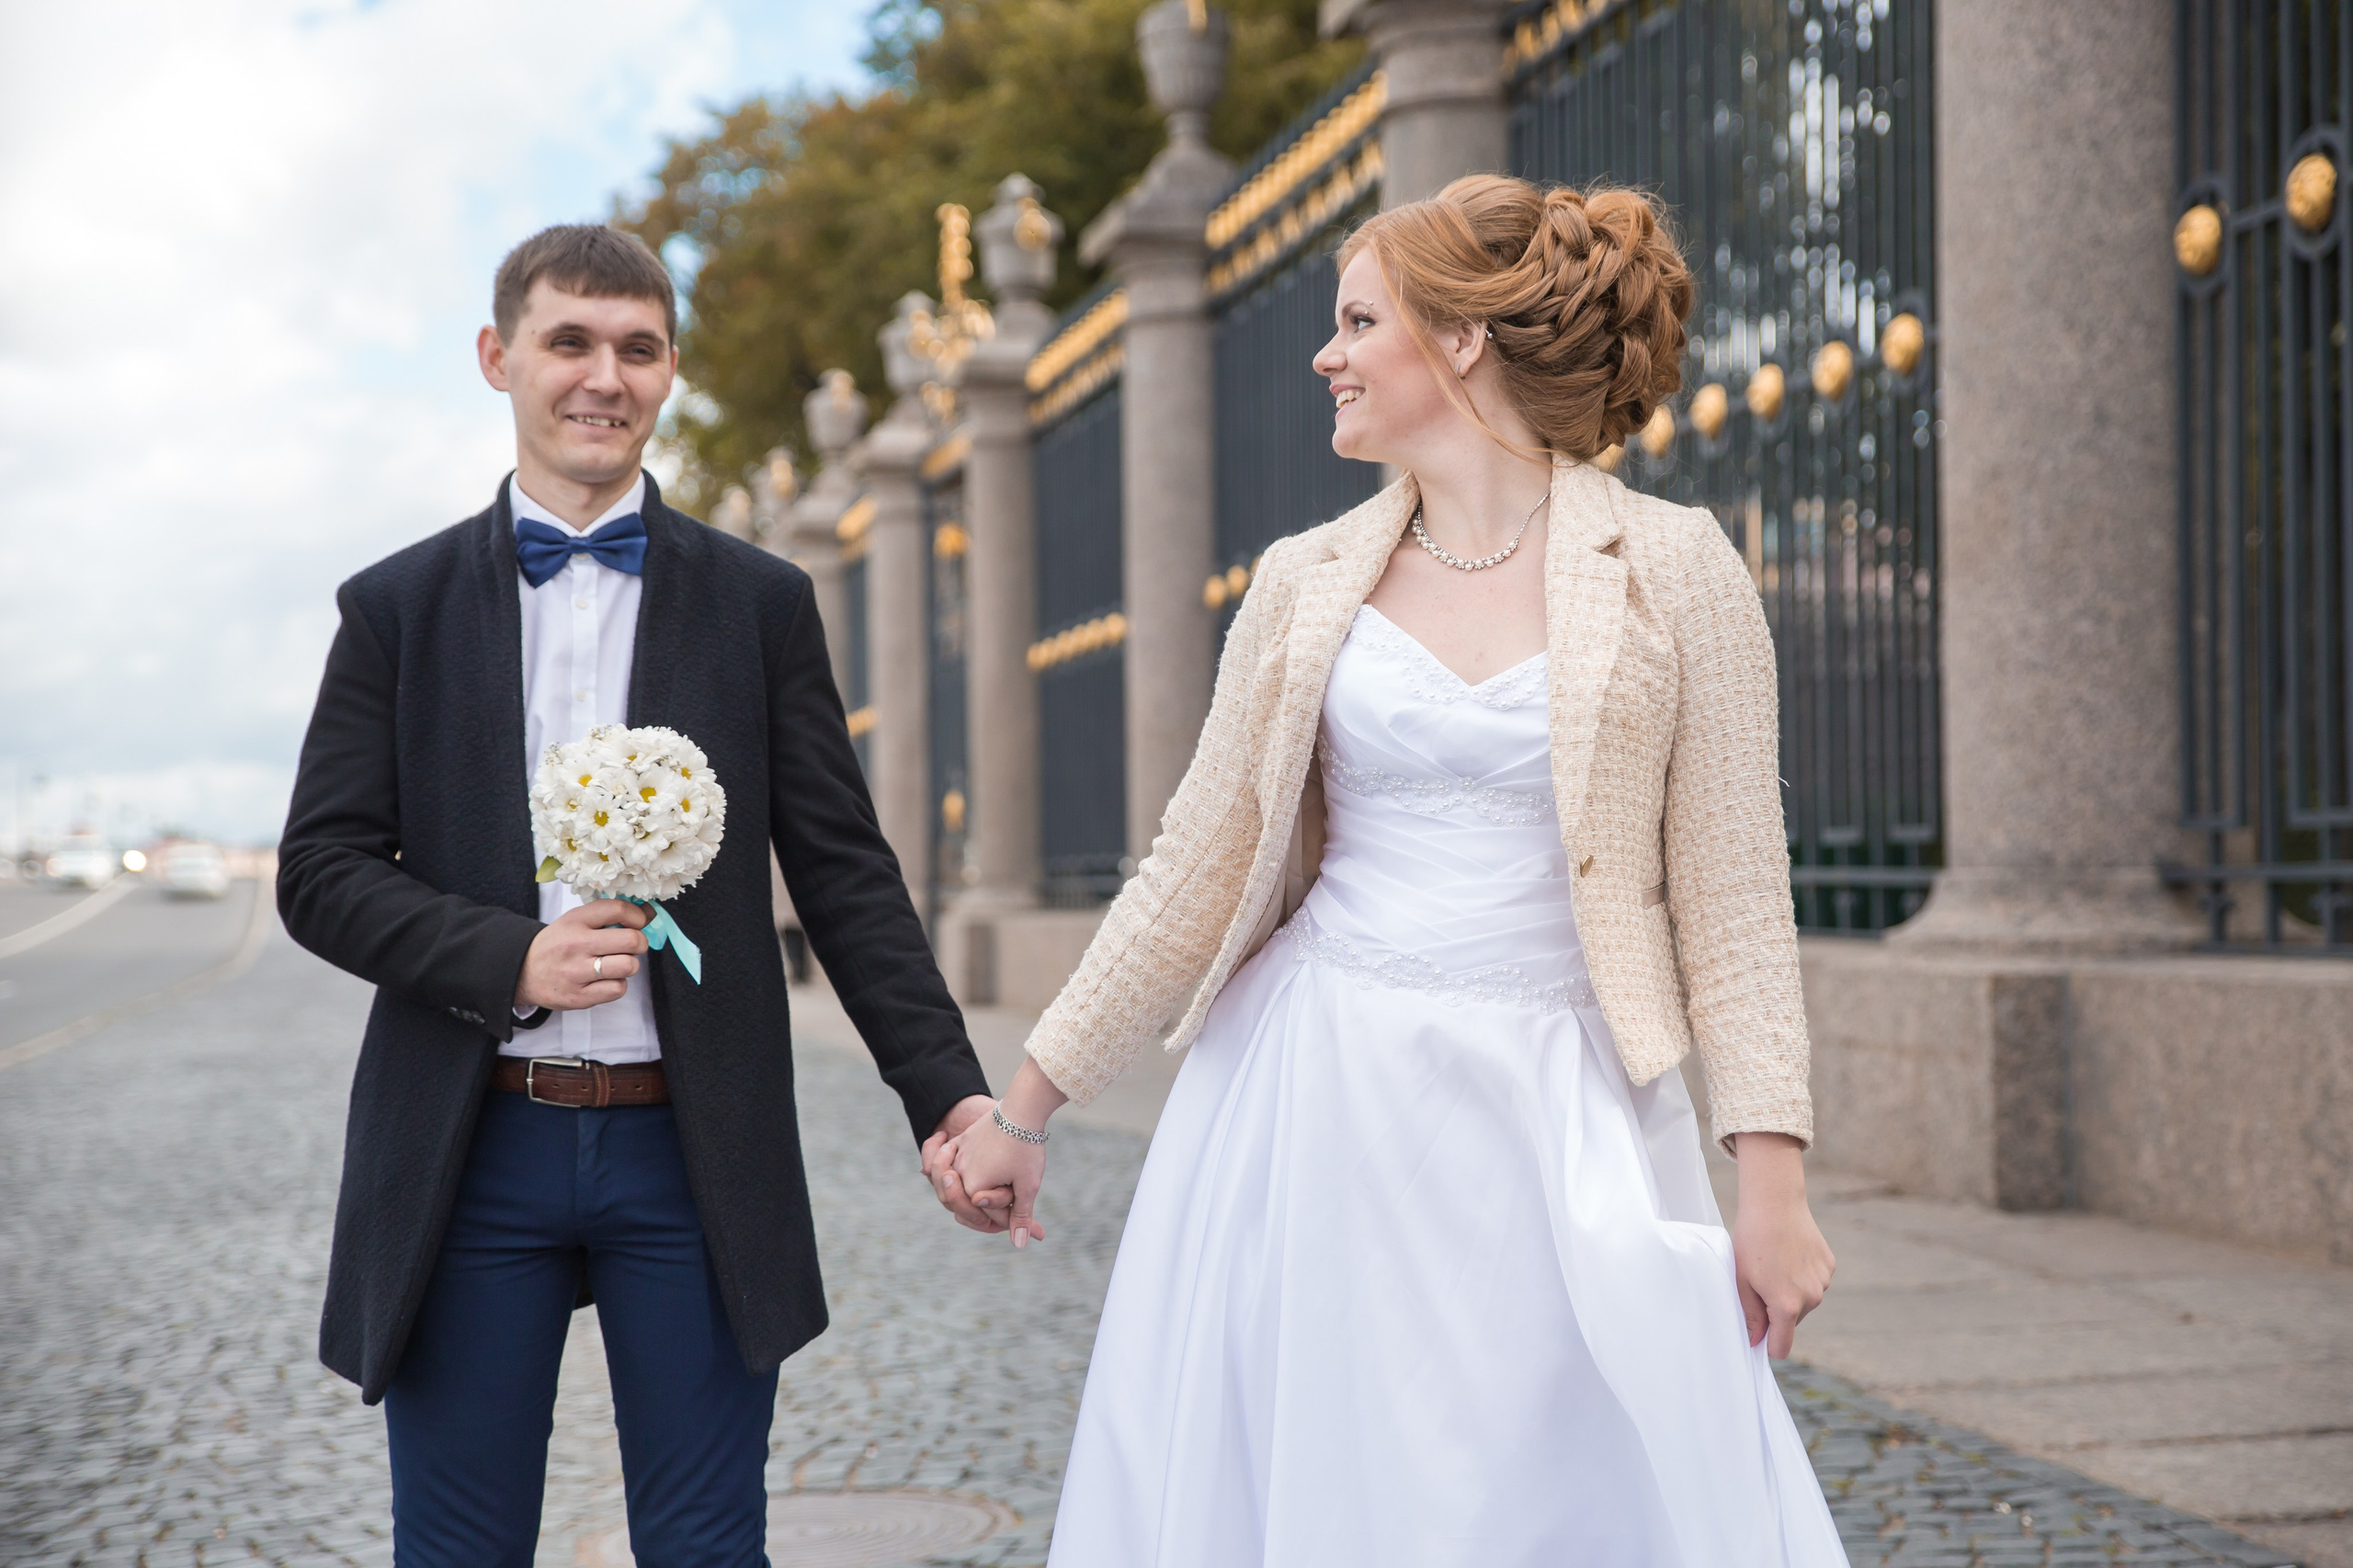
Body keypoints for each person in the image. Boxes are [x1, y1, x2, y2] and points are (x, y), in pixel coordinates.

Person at [937, 176, 1849, 1563]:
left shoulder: (1675, 568)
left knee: (1555, 1486)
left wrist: (1772, 1190)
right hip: (1319, 1099)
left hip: (1564, 1104)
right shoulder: (1304, 580)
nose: (1327, 354)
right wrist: (1028, 1106)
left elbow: (1734, 902)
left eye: (1360, 321)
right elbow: (1197, 865)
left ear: (1464, 338)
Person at [278, 224, 996, 1566]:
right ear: (498, 357)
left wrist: (950, 1094)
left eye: (638, 349)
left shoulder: (761, 603)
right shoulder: (395, 608)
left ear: (669, 370)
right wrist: (510, 957)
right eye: (569, 342)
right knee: (458, 1552)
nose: (603, 377)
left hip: (694, 1148)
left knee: (711, 1549)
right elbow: (319, 872)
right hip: (469, 1149)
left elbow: (844, 871)